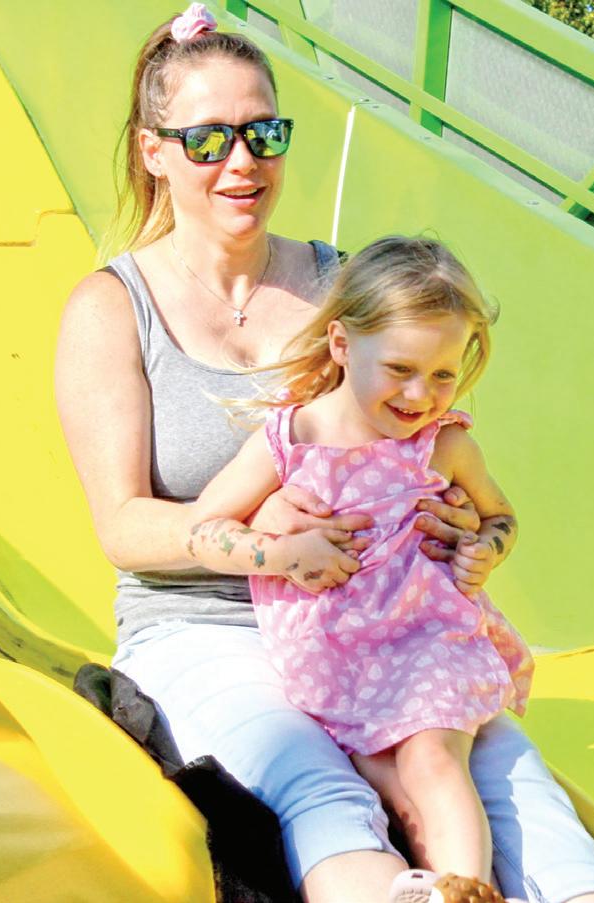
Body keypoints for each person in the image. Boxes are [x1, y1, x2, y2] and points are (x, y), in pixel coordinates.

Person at [54, 4, 594, 902]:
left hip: (380, 618)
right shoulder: (112, 308)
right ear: (152, 151)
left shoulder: (345, 283)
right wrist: (266, 539)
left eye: (264, 133)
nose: (242, 162)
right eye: (207, 139)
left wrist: (457, 527)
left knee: (507, 779)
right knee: (311, 775)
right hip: (207, 621)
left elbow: (422, 440)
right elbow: (123, 526)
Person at [189, 235, 534, 901]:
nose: (421, 395)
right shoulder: (291, 440)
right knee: (394, 787)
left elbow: (501, 517)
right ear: (343, 345)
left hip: (427, 637)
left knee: (431, 759)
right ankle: (445, 888)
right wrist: (283, 555)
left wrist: (484, 549)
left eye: (443, 375)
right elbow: (205, 530)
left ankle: (469, 889)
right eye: (401, 368)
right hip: (333, 655)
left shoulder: (444, 444)